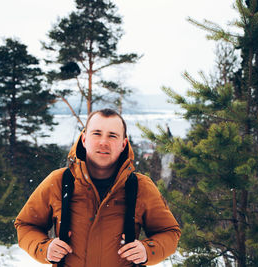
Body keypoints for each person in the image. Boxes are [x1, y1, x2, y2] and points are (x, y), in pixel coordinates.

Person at [14, 109, 181, 266]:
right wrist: (44, 248)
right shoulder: (59, 181)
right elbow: (26, 225)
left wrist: (147, 250)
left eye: (112, 136)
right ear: (84, 139)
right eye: (97, 134)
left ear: (124, 144)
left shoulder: (140, 186)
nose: (103, 142)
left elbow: (169, 232)